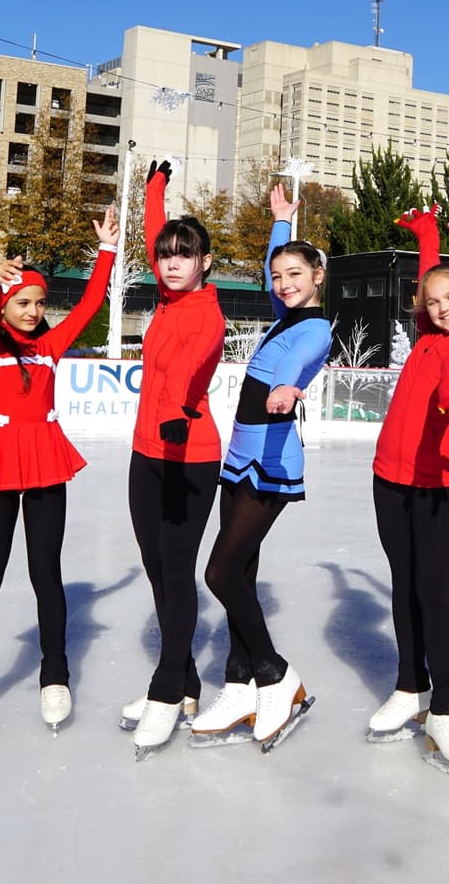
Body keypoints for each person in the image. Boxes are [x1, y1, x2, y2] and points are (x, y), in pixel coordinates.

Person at [0, 210, 118, 751]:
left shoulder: (50, 347)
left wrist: (107, 251)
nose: (34, 310)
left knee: (47, 572)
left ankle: (55, 675)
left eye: (39, 302)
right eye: (25, 302)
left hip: (44, 458)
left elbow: (89, 305)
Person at [191, 184, 332, 752]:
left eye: (295, 274)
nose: (284, 284)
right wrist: (280, 224)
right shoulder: (281, 316)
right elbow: (275, 277)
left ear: (318, 276)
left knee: (220, 575)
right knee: (242, 571)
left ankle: (275, 674)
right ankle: (238, 682)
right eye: (278, 277)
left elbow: (301, 363)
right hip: (240, 454)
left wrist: (287, 389)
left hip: (273, 458)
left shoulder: (314, 328)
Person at [366, 206, 449, 778]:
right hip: (388, 477)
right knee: (402, 585)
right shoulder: (425, 331)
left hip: (438, 483)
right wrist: (427, 235)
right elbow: (428, 280)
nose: (442, 307)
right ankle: (408, 684)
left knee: (434, 591)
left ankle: (447, 703)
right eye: (433, 300)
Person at [123, 159, 226, 759]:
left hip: (189, 455)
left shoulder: (206, 312)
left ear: (204, 261)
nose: (171, 261)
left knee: (177, 566)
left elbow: (193, 362)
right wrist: (153, 192)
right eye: (166, 254)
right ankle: (185, 683)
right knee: (157, 569)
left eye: (184, 254)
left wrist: (177, 406)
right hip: (145, 454)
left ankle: (166, 692)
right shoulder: (165, 295)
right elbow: (154, 237)